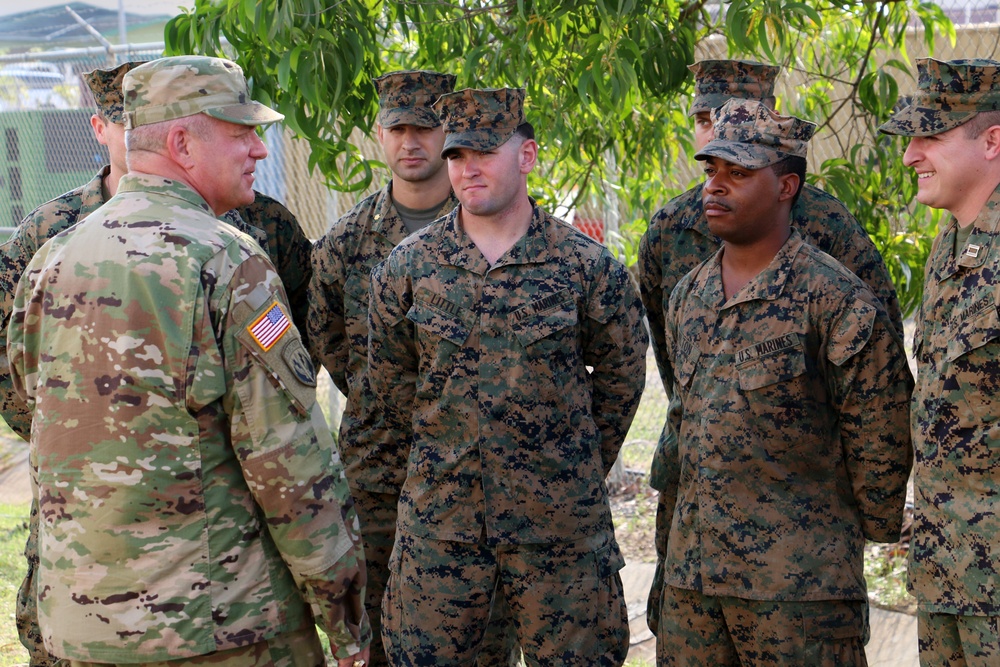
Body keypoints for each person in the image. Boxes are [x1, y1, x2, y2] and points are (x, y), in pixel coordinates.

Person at [7, 55, 369, 666]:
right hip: (220, 629)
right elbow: (288, 463)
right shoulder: (227, 260)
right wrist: (343, 609)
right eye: (240, 131)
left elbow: (27, 405)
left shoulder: (52, 259)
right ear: (181, 142)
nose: (258, 148)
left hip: (81, 626)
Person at [365, 87, 648, 666]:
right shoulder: (409, 268)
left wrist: (565, 465)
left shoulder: (587, 269)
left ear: (527, 155)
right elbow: (392, 385)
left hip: (559, 538)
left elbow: (622, 380)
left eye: (485, 153)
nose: (468, 169)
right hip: (444, 538)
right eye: (457, 155)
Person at [637, 58, 905, 636]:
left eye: (737, 167)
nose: (715, 176)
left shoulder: (830, 258)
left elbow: (876, 391)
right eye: (707, 129)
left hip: (797, 571)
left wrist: (856, 526)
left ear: (786, 183)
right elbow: (676, 374)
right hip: (695, 552)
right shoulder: (678, 258)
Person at [308, 70, 520, 667]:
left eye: (426, 128)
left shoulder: (502, 231)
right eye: (397, 127)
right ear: (380, 134)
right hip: (379, 471)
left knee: (482, 640)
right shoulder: (345, 244)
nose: (411, 141)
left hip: (475, 479)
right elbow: (328, 341)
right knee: (377, 638)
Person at [879, 57, 1000, 667]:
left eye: (931, 136)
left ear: (992, 141)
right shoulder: (950, 245)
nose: (910, 155)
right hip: (947, 573)